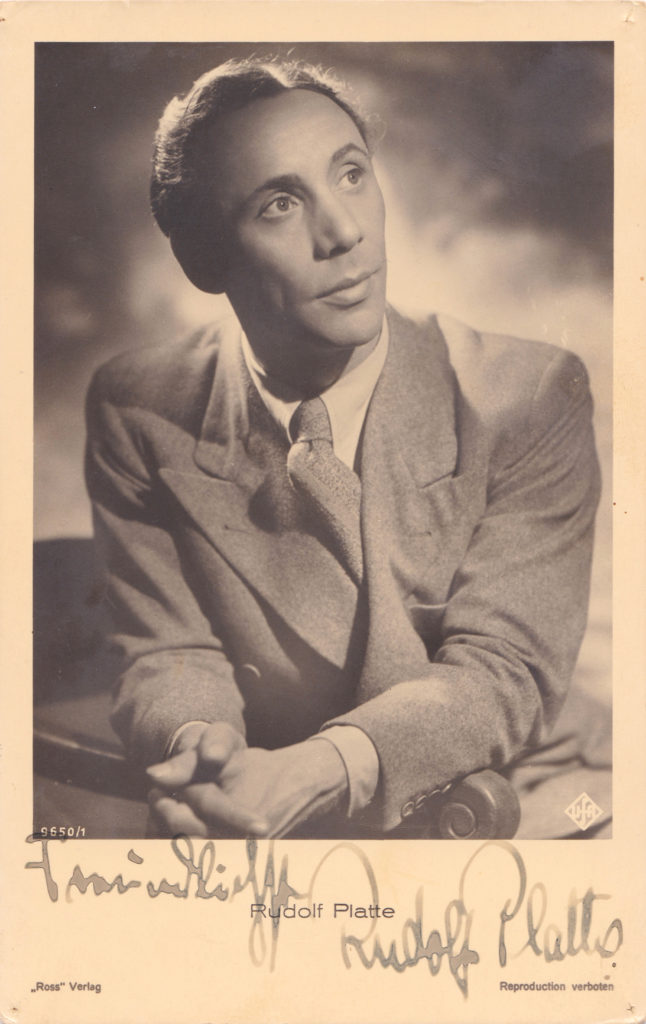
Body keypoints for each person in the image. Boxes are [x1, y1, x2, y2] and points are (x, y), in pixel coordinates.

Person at [85, 56, 603, 839]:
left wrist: (320, 768)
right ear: (201, 259)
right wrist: (202, 750)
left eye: (352, 175)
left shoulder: (527, 397)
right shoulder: (139, 409)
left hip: (531, 788)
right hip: (273, 801)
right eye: (280, 204)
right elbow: (167, 651)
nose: (344, 233)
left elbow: (503, 673)